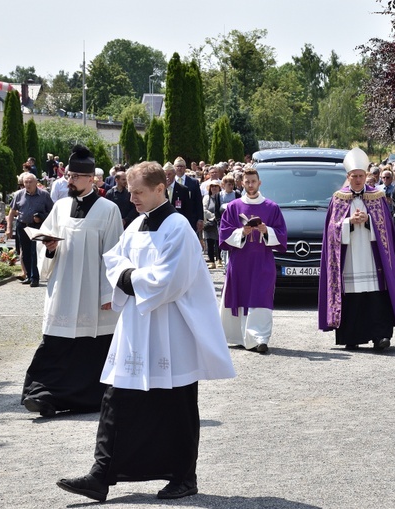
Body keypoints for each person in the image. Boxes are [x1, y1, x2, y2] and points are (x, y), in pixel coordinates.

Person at [56, 161, 236, 503]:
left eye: (138, 192)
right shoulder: (137, 224)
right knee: (116, 400)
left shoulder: (178, 228)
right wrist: (126, 276)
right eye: (130, 191)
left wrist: (127, 278)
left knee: (176, 405)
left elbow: (169, 281)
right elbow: (114, 259)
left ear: (159, 189)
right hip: (136, 328)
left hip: (171, 330)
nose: (132, 197)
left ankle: (184, 476)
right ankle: (100, 475)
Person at [21, 145, 123, 417]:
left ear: (92, 179)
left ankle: (87, 398)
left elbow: (113, 255)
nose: (70, 180)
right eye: (68, 175)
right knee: (56, 343)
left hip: (93, 292)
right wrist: (50, 247)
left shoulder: (108, 210)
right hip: (64, 288)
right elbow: (46, 246)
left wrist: (107, 294)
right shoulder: (61, 206)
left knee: (91, 348)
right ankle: (43, 396)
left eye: (76, 176)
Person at [318, 147, 395, 350]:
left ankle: (380, 336)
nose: (357, 180)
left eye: (361, 176)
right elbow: (332, 231)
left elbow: (387, 230)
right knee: (353, 296)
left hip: (374, 258)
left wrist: (368, 222)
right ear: (348, 177)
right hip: (349, 258)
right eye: (354, 176)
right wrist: (348, 222)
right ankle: (351, 337)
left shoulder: (378, 196)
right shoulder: (338, 198)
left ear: (366, 176)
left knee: (375, 295)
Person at [219, 168, 287, 352]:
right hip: (239, 261)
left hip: (262, 261)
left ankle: (259, 338)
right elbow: (223, 233)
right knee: (240, 295)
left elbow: (282, 234)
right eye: (247, 182)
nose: (250, 185)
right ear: (242, 183)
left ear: (259, 183)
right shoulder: (233, 207)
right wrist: (242, 232)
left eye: (253, 181)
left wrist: (267, 231)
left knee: (261, 296)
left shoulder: (272, 208)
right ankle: (241, 336)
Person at [6, 173, 54, 287]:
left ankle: (35, 278)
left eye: (30, 182)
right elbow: (12, 212)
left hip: (36, 227)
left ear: (36, 182)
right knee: (25, 252)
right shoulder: (18, 195)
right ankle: (28, 275)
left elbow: (52, 212)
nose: (27, 184)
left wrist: (41, 217)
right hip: (22, 225)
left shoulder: (44, 195)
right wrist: (9, 228)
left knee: (34, 251)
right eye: (25, 182)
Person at [202, 180, 224, 270]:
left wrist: (218, 217)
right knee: (210, 242)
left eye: (216, 186)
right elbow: (204, 209)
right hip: (210, 222)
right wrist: (213, 216)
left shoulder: (221, 197)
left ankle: (219, 259)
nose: (214, 188)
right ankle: (211, 261)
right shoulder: (207, 198)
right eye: (212, 186)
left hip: (219, 222)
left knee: (218, 241)